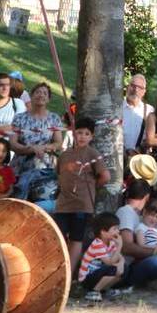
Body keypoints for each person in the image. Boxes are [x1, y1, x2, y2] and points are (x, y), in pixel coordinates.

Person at [54, 114, 111, 274]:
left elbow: (105, 176)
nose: (82, 137)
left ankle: (69, 273)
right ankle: (58, 269)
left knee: (76, 238)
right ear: (73, 133)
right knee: (59, 237)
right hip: (63, 203)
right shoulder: (65, 155)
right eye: (79, 132)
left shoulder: (93, 154)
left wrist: (93, 187)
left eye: (87, 134)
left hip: (82, 205)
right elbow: (58, 174)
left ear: (91, 136)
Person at [10, 81, 64, 197]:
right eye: (38, 92)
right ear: (31, 96)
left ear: (48, 99)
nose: (41, 95)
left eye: (45, 93)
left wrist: (44, 147)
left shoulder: (54, 118)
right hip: (20, 167)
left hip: (45, 167)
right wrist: (31, 148)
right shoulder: (19, 118)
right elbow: (13, 144)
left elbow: (58, 143)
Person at [77, 212, 125, 302]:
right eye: (115, 229)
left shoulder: (111, 242)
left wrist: (121, 264)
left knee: (123, 268)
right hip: (88, 278)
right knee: (112, 268)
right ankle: (93, 291)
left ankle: (104, 289)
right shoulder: (97, 244)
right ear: (103, 232)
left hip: (99, 274)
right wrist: (120, 246)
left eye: (118, 228)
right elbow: (109, 262)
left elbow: (119, 256)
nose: (118, 232)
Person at [122, 74, 153, 160]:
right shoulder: (117, 107)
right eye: (133, 86)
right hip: (118, 157)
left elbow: (152, 137)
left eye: (140, 87)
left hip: (139, 158)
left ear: (144, 92)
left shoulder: (149, 111)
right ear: (128, 87)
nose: (135, 90)